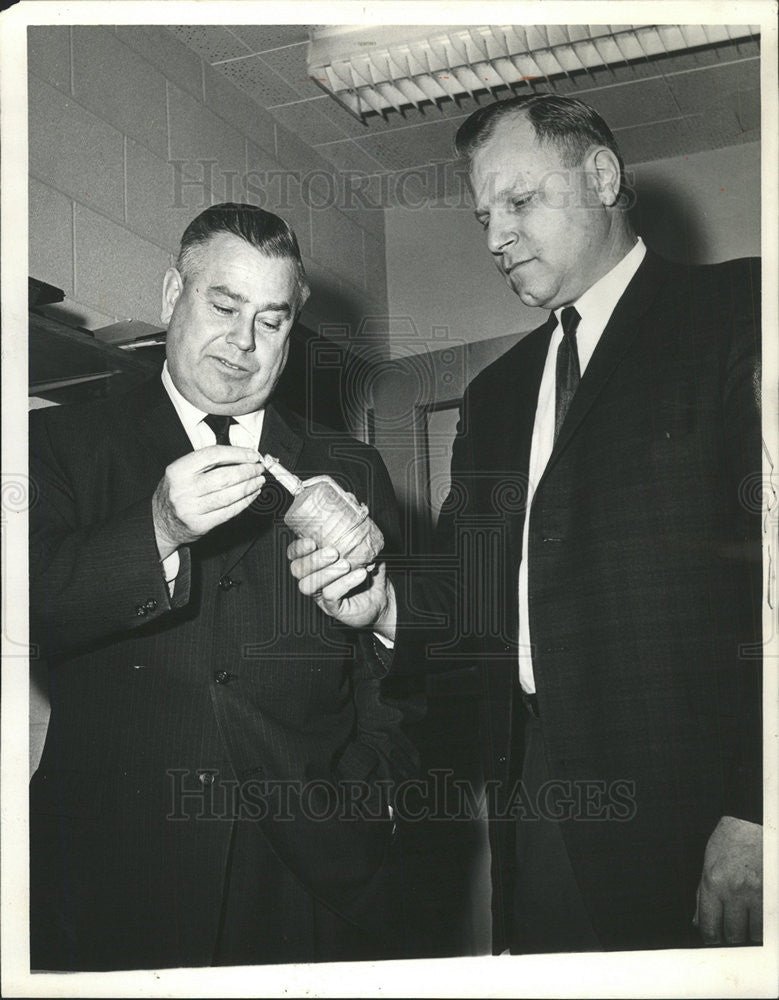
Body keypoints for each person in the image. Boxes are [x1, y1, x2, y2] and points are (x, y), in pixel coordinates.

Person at [289, 94, 763, 954]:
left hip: (706, 805)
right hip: (535, 798)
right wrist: (382, 603)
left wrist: (757, 807)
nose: (495, 237)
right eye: (482, 216)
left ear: (603, 177)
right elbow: (475, 595)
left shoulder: (739, 312)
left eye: (518, 202)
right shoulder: (496, 394)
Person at [29, 203, 418, 971]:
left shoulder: (350, 468)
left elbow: (398, 668)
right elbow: (24, 607)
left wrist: (378, 791)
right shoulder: (59, 444)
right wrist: (156, 532)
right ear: (174, 293)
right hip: (117, 868)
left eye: (271, 322)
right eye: (223, 305)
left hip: (311, 870)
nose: (243, 343)